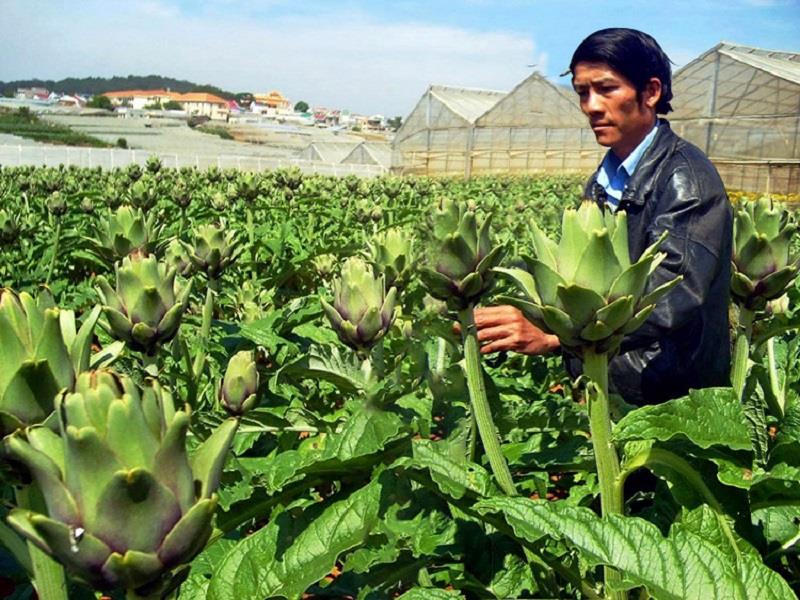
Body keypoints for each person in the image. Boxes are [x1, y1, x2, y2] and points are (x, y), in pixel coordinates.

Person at [473, 28, 733, 405]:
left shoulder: (686, 180)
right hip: (613, 382)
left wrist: (554, 335)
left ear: (651, 92)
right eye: (582, 92)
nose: (591, 106)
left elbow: (674, 294)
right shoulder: (604, 180)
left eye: (606, 89)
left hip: (672, 398)